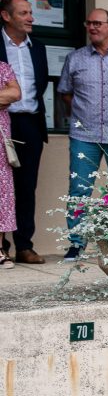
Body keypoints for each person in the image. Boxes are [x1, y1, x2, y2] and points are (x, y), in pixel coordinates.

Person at [58, 8, 108, 259]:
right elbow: (66, 93)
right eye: (89, 23)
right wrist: (84, 113)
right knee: (79, 190)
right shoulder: (75, 58)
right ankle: (76, 243)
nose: (92, 27)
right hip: (84, 136)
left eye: (98, 23)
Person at [0, 0, 49, 265]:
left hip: (30, 123)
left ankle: (24, 245)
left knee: (26, 186)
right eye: (24, 13)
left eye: (31, 12)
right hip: (2, 122)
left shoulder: (38, 47)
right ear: (6, 16)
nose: (31, 18)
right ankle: (1, 246)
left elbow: (40, 85)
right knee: (1, 186)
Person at [0, 60, 20, 269]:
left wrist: (7, 96)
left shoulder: (2, 68)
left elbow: (14, 93)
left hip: (0, 144)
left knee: (1, 193)